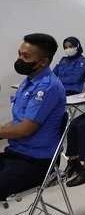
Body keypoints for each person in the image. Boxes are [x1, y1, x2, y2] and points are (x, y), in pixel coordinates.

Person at [0, 34, 65, 201]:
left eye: (26, 56)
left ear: (43, 62)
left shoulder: (48, 87)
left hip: (37, 161)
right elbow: (17, 121)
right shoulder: (28, 81)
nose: (20, 59)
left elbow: (25, 129)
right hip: (16, 153)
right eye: (19, 54)